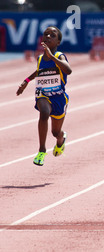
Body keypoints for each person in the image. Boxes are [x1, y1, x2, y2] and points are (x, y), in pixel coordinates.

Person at [16, 26, 72, 166]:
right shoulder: (40, 58)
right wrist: (26, 81)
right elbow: (39, 72)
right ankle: (42, 150)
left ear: (58, 42)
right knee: (44, 113)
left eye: (52, 35)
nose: (48, 36)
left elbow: (68, 70)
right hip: (43, 94)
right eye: (46, 34)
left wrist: (52, 56)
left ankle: (61, 140)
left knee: (55, 132)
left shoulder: (60, 56)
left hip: (59, 98)